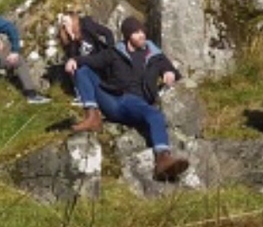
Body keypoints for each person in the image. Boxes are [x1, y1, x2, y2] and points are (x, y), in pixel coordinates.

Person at [69, 16, 190, 181]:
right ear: (127, 36)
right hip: (111, 99)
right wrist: (74, 60)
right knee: (83, 70)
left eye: (142, 31)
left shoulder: (154, 54)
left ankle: (162, 158)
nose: (141, 35)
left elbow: (171, 70)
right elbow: (93, 61)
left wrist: (169, 73)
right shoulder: (114, 52)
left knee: (154, 114)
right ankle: (92, 116)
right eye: (136, 32)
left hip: (135, 103)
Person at [57, 12, 115, 132]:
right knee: (79, 70)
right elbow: (74, 60)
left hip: (102, 67)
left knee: (81, 68)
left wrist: (110, 52)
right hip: (89, 72)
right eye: (62, 23)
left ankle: (93, 117)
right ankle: (92, 116)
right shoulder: (68, 42)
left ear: (74, 20)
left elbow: (107, 32)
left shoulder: (87, 26)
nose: (64, 25)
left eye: (66, 21)